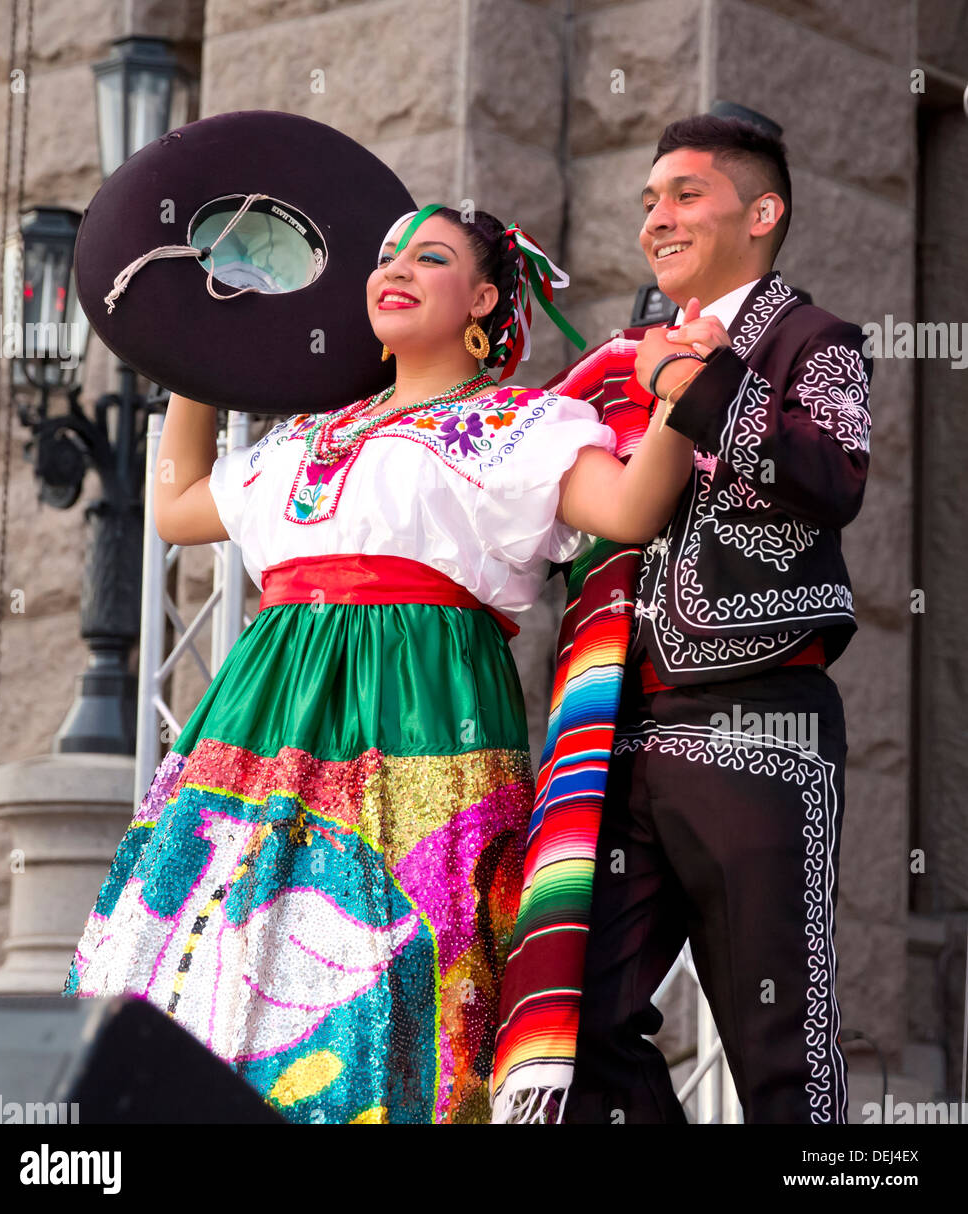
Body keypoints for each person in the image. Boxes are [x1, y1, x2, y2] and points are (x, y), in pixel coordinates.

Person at [63, 201, 695, 1125]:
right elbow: (180, 507)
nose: (391, 269)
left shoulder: (518, 426)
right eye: (385, 255)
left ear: (483, 297)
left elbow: (634, 510)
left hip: (420, 713)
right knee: (205, 954)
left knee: (397, 967)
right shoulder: (310, 434)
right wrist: (196, 352)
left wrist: (683, 391)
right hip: (261, 713)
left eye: (428, 257)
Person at [491, 116, 872, 1125]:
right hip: (612, 736)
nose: (657, 217)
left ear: (759, 212)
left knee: (778, 1041)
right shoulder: (628, 349)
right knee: (568, 1030)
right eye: (648, 200)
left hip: (756, 725)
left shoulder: (812, 339)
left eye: (684, 195)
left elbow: (832, 475)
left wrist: (691, 383)